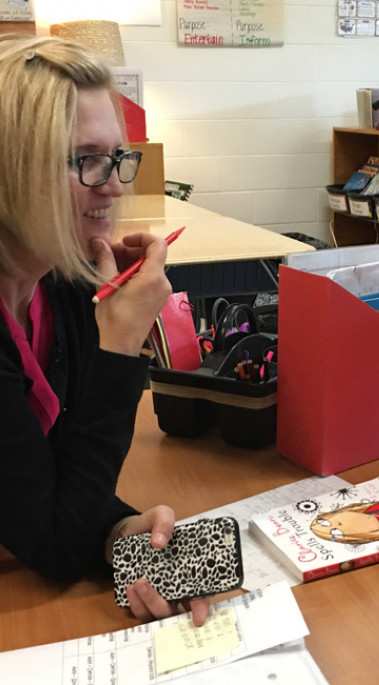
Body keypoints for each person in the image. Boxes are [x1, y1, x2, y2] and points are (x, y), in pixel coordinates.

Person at [0, 34, 209, 625]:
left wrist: (117, 530)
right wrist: (119, 347)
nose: (115, 185)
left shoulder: (58, 282)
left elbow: (46, 486)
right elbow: (54, 550)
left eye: (118, 158)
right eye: (85, 160)